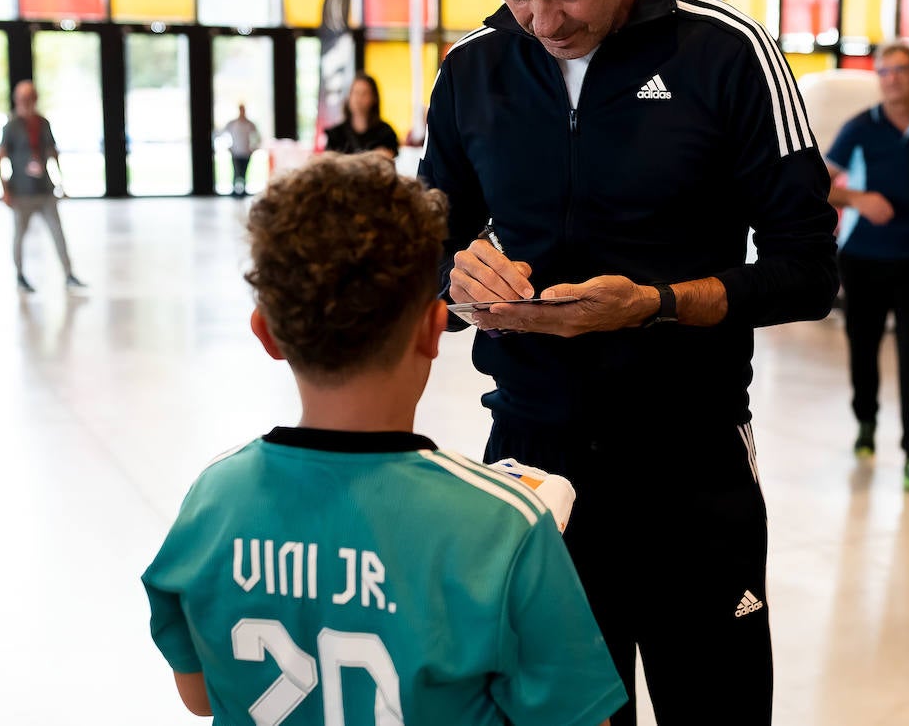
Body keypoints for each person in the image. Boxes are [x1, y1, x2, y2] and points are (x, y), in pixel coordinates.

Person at [417, 0, 839, 725]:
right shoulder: (472, 70)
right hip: (533, 473)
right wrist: (462, 285)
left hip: (692, 465)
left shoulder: (726, 55)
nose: (541, 21)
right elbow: (429, 270)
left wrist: (650, 307)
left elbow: (808, 273)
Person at [141, 153, 626, 725]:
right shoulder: (504, 528)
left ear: (267, 333)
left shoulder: (213, 502)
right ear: (432, 326)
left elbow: (199, 697)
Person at [824, 41, 909, 491]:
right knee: (864, 347)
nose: (892, 78)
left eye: (900, 69)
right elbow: (818, 183)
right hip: (864, 260)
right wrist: (859, 199)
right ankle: (866, 422)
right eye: (884, 71)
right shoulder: (860, 127)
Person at [0, 80, 83, 293]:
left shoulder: (43, 123)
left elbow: (53, 152)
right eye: (22, 98)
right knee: (19, 235)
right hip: (21, 192)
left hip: (44, 190)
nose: (26, 102)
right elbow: (1, 156)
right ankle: (19, 275)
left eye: (30, 98)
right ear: (17, 100)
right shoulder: (11, 126)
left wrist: (61, 182)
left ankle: (69, 274)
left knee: (57, 233)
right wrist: (5, 190)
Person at [324, 73, 400, 158]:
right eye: (355, 93)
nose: (358, 99)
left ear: (374, 98)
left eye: (364, 93)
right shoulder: (335, 134)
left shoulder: (386, 133)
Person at [219, 103, 263, 197]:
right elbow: (222, 134)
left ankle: (243, 191)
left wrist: (254, 148)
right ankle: (235, 191)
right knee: (236, 172)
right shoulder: (232, 123)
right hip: (235, 152)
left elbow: (258, 137)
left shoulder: (250, 124)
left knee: (244, 172)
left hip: (246, 152)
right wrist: (228, 147)